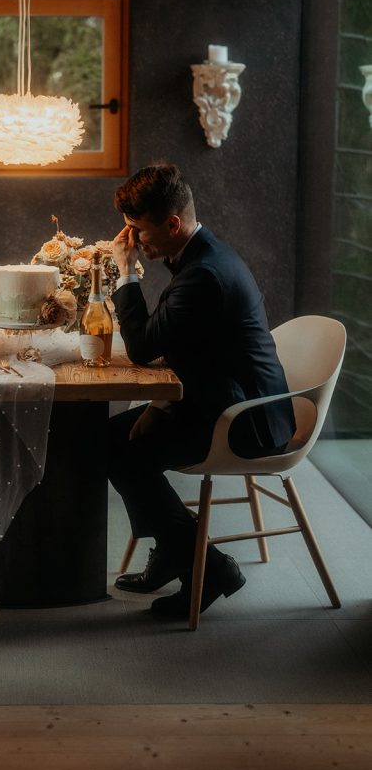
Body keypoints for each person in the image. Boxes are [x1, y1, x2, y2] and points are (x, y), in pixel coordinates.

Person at [109, 163, 295, 618]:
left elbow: (142, 347)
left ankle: (206, 566)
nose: (132, 240)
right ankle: (176, 551)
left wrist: (126, 273)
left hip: (244, 420)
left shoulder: (203, 274)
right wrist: (158, 403)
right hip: (216, 397)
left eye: (137, 229)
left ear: (172, 223)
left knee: (118, 452)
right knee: (107, 440)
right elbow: (186, 346)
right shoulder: (199, 256)